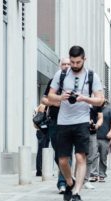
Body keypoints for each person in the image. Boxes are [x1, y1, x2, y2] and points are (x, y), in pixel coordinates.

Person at [48, 45, 104, 201]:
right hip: (63, 122)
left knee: (80, 157)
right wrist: (60, 97)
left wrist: (84, 98)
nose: (74, 65)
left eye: (78, 62)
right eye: (72, 62)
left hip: (82, 122)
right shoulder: (61, 74)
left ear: (84, 59)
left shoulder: (92, 76)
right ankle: (70, 182)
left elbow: (100, 100)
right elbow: (49, 97)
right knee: (62, 160)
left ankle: (77, 192)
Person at [41, 58, 71, 193]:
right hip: (54, 121)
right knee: (58, 153)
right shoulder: (54, 81)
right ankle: (67, 176)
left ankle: (63, 183)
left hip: (70, 122)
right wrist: (54, 103)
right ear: (60, 65)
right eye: (63, 64)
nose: (66, 66)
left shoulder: (76, 83)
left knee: (67, 153)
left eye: (68, 64)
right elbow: (43, 99)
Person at [92, 100, 111, 182]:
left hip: (105, 138)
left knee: (103, 157)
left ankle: (102, 174)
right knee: (93, 156)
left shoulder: (109, 110)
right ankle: (94, 174)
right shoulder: (93, 109)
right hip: (93, 136)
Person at [83, 105, 103, 189]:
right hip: (78, 131)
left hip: (92, 132)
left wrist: (96, 125)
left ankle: (86, 180)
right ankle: (76, 179)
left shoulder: (96, 102)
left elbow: (100, 118)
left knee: (91, 156)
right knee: (79, 156)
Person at [34, 104, 50, 176]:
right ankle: (39, 170)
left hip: (44, 131)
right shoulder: (42, 106)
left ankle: (44, 170)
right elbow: (38, 119)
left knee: (45, 151)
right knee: (41, 150)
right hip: (42, 131)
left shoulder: (43, 106)